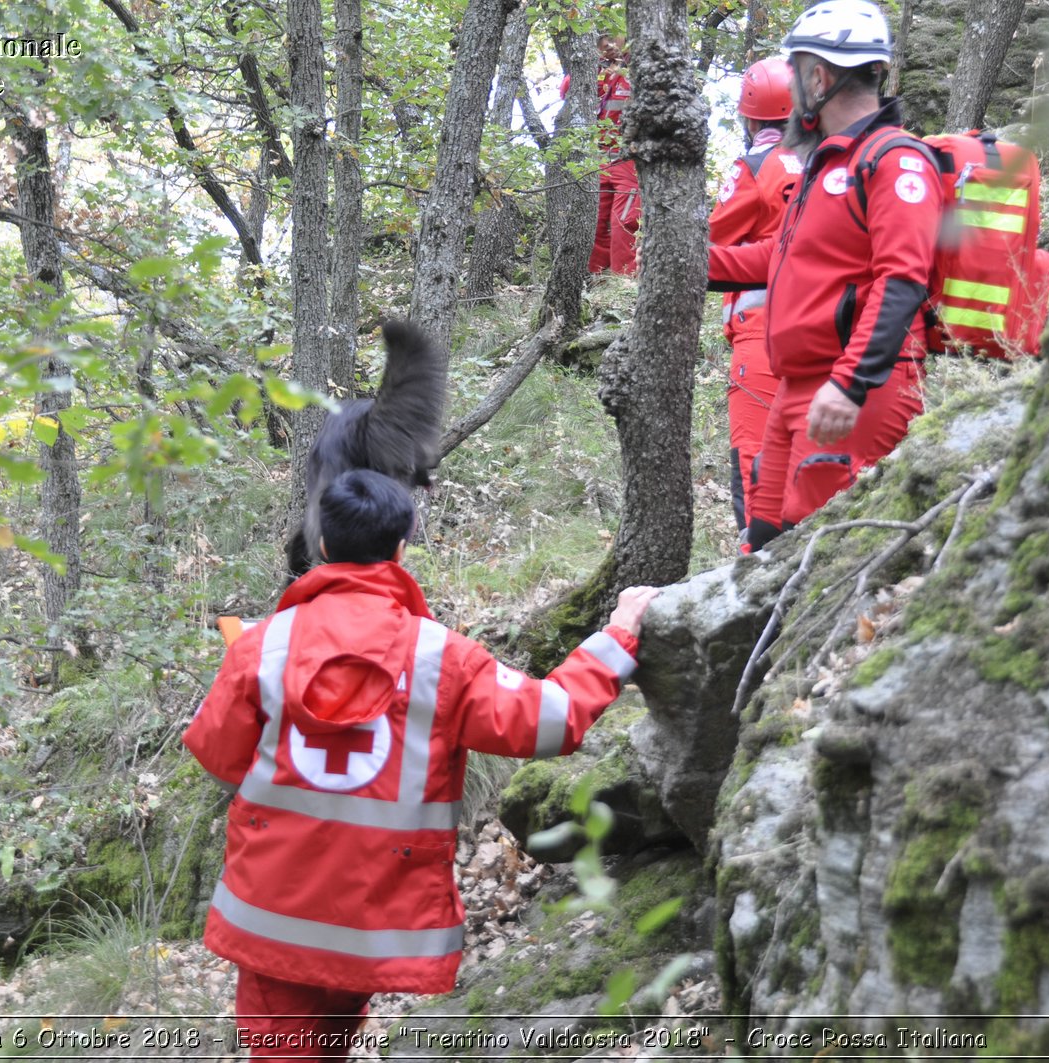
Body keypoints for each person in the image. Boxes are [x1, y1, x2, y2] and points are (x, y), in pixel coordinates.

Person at [183, 469, 659, 1060]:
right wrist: (616, 637)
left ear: (321, 544)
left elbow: (218, 755)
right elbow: (551, 720)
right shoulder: (443, 658)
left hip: (274, 913)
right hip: (377, 915)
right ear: (402, 547)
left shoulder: (262, 646)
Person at [707, 0, 940, 552]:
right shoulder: (827, 163)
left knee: (821, 550)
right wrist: (690, 265)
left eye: (793, 75)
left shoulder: (894, 159)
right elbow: (778, 260)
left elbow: (902, 279)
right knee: (763, 539)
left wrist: (850, 384)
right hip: (797, 387)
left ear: (819, 77)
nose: (789, 91)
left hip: (854, 389)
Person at [707, 56, 803, 548]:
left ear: (750, 116)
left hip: (761, 331)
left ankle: (755, 559)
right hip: (829, 328)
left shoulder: (755, 166)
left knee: (756, 454)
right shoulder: (835, 159)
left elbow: (710, 238)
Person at [563, 33, 640, 274]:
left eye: (611, 39)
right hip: (599, 158)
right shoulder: (599, 73)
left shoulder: (641, 68)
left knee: (625, 221)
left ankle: (623, 281)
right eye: (600, 42)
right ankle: (594, 278)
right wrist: (594, 61)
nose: (607, 45)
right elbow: (567, 89)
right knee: (594, 220)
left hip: (629, 160)